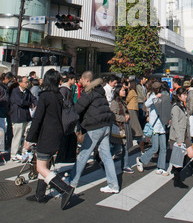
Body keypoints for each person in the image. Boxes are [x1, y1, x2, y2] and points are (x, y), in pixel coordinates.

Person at [24, 69, 75, 209]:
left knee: (40, 167)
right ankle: (40, 195)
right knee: (44, 165)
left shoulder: (45, 96)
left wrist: (29, 139)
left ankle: (64, 188)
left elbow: (37, 119)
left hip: (47, 135)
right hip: (58, 134)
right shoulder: (59, 95)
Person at [68, 71, 119, 194]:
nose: (80, 81)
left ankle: (71, 183)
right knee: (106, 156)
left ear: (86, 80)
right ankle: (113, 185)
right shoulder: (100, 92)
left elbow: (77, 109)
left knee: (83, 154)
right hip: (106, 125)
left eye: (81, 79)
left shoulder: (88, 92)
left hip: (95, 126)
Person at [136, 82, 168, 176]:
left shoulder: (163, 95)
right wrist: (155, 97)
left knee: (163, 148)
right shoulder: (152, 96)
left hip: (162, 125)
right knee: (155, 147)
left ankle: (161, 167)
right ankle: (141, 160)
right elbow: (146, 104)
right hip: (154, 125)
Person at [169, 87, 192, 188]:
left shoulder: (182, 106)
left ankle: (175, 170)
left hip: (185, 135)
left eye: (186, 94)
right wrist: (179, 140)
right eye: (184, 94)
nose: (186, 96)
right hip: (178, 137)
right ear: (178, 96)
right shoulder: (176, 108)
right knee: (179, 159)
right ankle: (177, 180)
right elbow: (175, 124)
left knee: (190, 154)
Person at [10, 76, 37, 161]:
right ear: (20, 83)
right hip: (18, 116)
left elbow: (34, 99)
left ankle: (24, 151)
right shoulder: (15, 92)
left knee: (27, 135)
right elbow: (20, 102)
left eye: (28, 82)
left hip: (26, 116)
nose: (27, 84)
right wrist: (30, 104)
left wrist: (35, 104)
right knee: (17, 136)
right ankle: (14, 153)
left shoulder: (27, 91)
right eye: (25, 82)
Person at [110, 85, 133, 173]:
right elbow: (113, 115)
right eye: (122, 90)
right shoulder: (115, 103)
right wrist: (123, 118)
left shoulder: (122, 101)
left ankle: (125, 165)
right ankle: (124, 165)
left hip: (123, 127)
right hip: (119, 127)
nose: (124, 92)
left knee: (122, 147)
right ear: (117, 92)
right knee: (119, 147)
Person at [126, 79, 145, 153]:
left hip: (131, 108)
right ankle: (138, 135)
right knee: (135, 123)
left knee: (134, 124)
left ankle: (137, 134)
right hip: (134, 108)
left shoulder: (131, 92)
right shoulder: (134, 91)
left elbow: (127, 99)